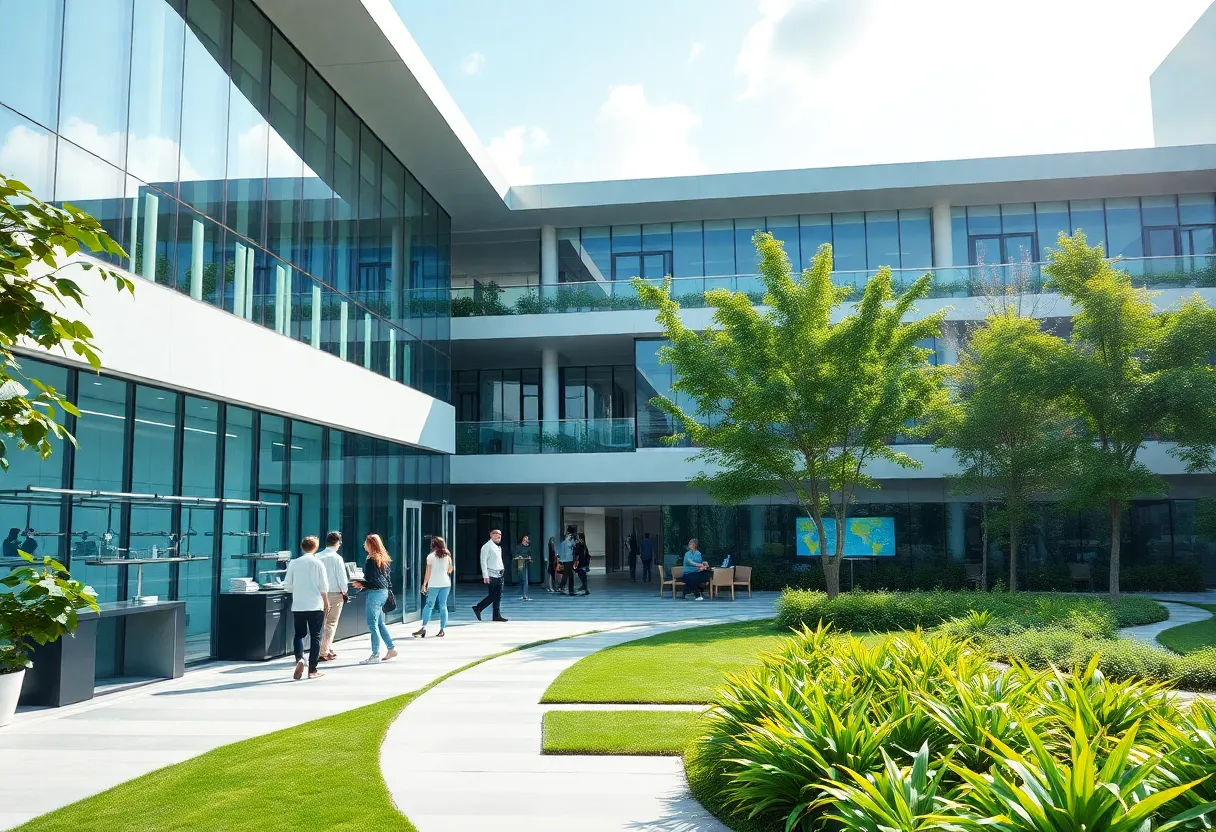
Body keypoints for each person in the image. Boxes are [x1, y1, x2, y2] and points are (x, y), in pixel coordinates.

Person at [283, 536, 330, 680]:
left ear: (302, 548)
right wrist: (326, 602)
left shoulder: (294, 563)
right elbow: (324, 586)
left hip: (298, 605)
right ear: (315, 547)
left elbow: (288, 585)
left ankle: (299, 659)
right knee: (316, 636)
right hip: (315, 604)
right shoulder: (318, 563)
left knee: (299, 634)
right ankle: (312, 670)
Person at [352, 534, 397, 664]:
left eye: (365, 543)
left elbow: (372, 580)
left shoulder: (371, 559)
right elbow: (384, 580)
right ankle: (391, 648)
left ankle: (375, 654)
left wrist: (361, 584)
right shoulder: (383, 558)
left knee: (372, 624)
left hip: (375, 594)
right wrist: (364, 584)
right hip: (383, 593)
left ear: (370, 544)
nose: (364, 545)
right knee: (379, 623)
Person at [316, 531, 348, 662]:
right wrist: (344, 591)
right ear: (337, 543)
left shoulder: (317, 557)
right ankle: (323, 651)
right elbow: (341, 578)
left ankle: (325, 647)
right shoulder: (337, 558)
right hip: (334, 593)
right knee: (331, 623)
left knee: (321, 623)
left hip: (319, 593)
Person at [413, 536, 453, 638]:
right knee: (443, 606)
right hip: (445, 583)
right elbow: (449, 570)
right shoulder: (447, 557)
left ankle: (424, 627)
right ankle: (442, 629)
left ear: (433, 545)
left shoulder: (430, 557)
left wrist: (424, 584)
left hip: (434, 584)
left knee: (429, 605)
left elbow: (428, 572)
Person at [472, 529, 508, 622]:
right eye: (496, 535)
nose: (498, 537)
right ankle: (479, 607)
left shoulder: (496, 547)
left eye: (500, 535)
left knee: (498, 595)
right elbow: (483, 561)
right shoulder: (487, 546)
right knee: (495, 595)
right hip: (492, 574)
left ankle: (496, 615)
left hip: (499, 574)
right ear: (491, 535)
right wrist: (485, 575)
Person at [559, 526, 577, 596]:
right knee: (568, 574)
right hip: (569, 559)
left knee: (568, 574)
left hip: (566, 559)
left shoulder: (565, 539)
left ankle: (565, 587)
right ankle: (564, 587)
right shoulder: (570, 538)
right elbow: (572, 545)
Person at [515, 533, 533, 601]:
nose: (526, 539)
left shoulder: (528, 547)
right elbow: (516, 554)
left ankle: (524, 594)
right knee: (522, 577)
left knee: (525, 579)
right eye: (525, 538)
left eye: (527, 538)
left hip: (526, 562)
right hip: (520, 562)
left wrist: (529, 558)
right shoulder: (519, 546)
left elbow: (529, 554)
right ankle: (522, 591)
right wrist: (519, 556)